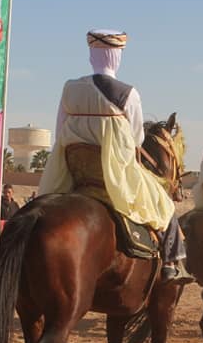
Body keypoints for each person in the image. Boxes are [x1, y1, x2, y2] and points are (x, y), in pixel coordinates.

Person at [37, 29, 192, 282]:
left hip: (72, 172)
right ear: (117, 56)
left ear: (91, 55)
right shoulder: (128, 94)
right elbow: (136, 140)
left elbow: (59, 130)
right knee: (163, 207)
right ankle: (171, 265)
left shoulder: (70, 88)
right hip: (116, 175)